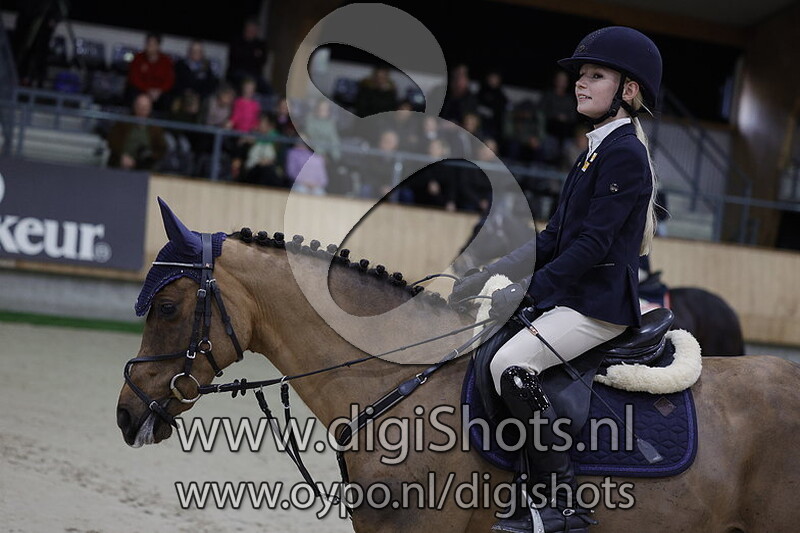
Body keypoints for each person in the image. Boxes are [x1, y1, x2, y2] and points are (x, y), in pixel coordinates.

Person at [449, 26, 662, 533]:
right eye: (581, 75)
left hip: (598, 306)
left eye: (596, 76)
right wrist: (488, 272)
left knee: (512, 365)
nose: (580, 83)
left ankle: (561, 502)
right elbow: (552, 239)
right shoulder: (593, 152)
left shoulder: (624, 154)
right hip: (574, 297)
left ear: (628, 90)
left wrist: (527, 291)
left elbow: (592, 247)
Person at [107, 93, 167, 170]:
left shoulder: (155, 128)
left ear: (150, 109)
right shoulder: (123, 122)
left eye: (145, 107)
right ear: (134, 106)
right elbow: (111, 141)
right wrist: (121, 156)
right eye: (139, 106)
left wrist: (149, 157)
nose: (142, 110)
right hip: (120, 163)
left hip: (144, 167)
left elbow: (162, 149)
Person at [126, 32, 175, 111]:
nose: (150, 47)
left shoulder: (166, 61)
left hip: (159, 93)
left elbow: (169, 80)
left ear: (158, 46)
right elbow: (134, 78)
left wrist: (159, 91)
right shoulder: (138, 58)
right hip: (141, 90)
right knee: (131, 91)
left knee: (168, 98)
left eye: (153, 44)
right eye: (148, 44)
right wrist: (147, 90)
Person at [227, 18, 271, 95]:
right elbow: (236, 58)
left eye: (254, 29)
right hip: (237, 73)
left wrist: (247, 54)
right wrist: (253, 54)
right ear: (245, 29)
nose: (251, 31)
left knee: (269, 91)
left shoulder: (261, 44)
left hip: (256, 75)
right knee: (248, 81)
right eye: (250, 28)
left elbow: (263, 60)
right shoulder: (237, 40)